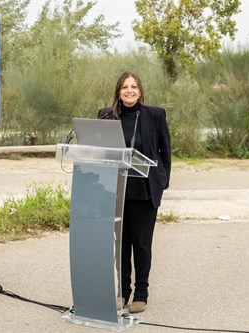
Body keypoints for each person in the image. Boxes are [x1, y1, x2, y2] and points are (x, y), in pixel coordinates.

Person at [98, 71, 171, 314]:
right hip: (117, 189)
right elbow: (99, 149)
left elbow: (165, 152)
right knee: (121, 244)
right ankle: (122, 292)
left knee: (141, 243)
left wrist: (162, 181)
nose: (129, 91)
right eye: (125, 87)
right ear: (118, 91)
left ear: (140, 91)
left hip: (144, 190)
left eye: (134, 86)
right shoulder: (106, 116)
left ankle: (141, 293)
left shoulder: (155, 115)